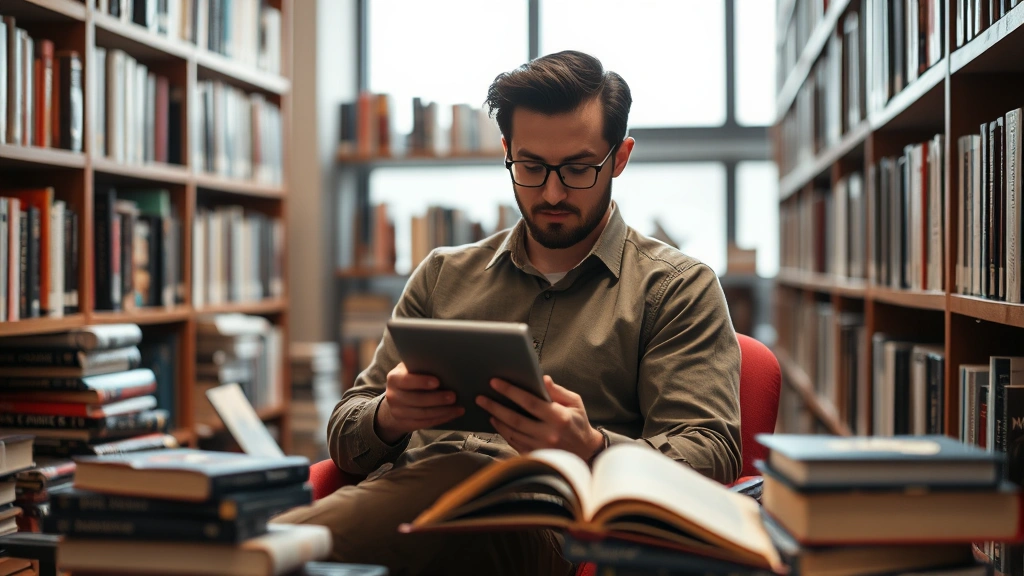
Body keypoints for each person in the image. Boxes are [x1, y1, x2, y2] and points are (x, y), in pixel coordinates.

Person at [272, 50, 741, 576]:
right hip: (410, 507)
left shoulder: (677, 287)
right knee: (438, 485)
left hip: (550, 528)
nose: (553, 192)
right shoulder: (443, 274)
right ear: (507, 152)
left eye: (579, 168)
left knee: (453, 483)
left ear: (621, 157)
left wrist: (592, 447)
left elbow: (712, 450)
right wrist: (388, 416)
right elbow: (345, 433)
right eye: (532, 167)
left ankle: (257, 553)